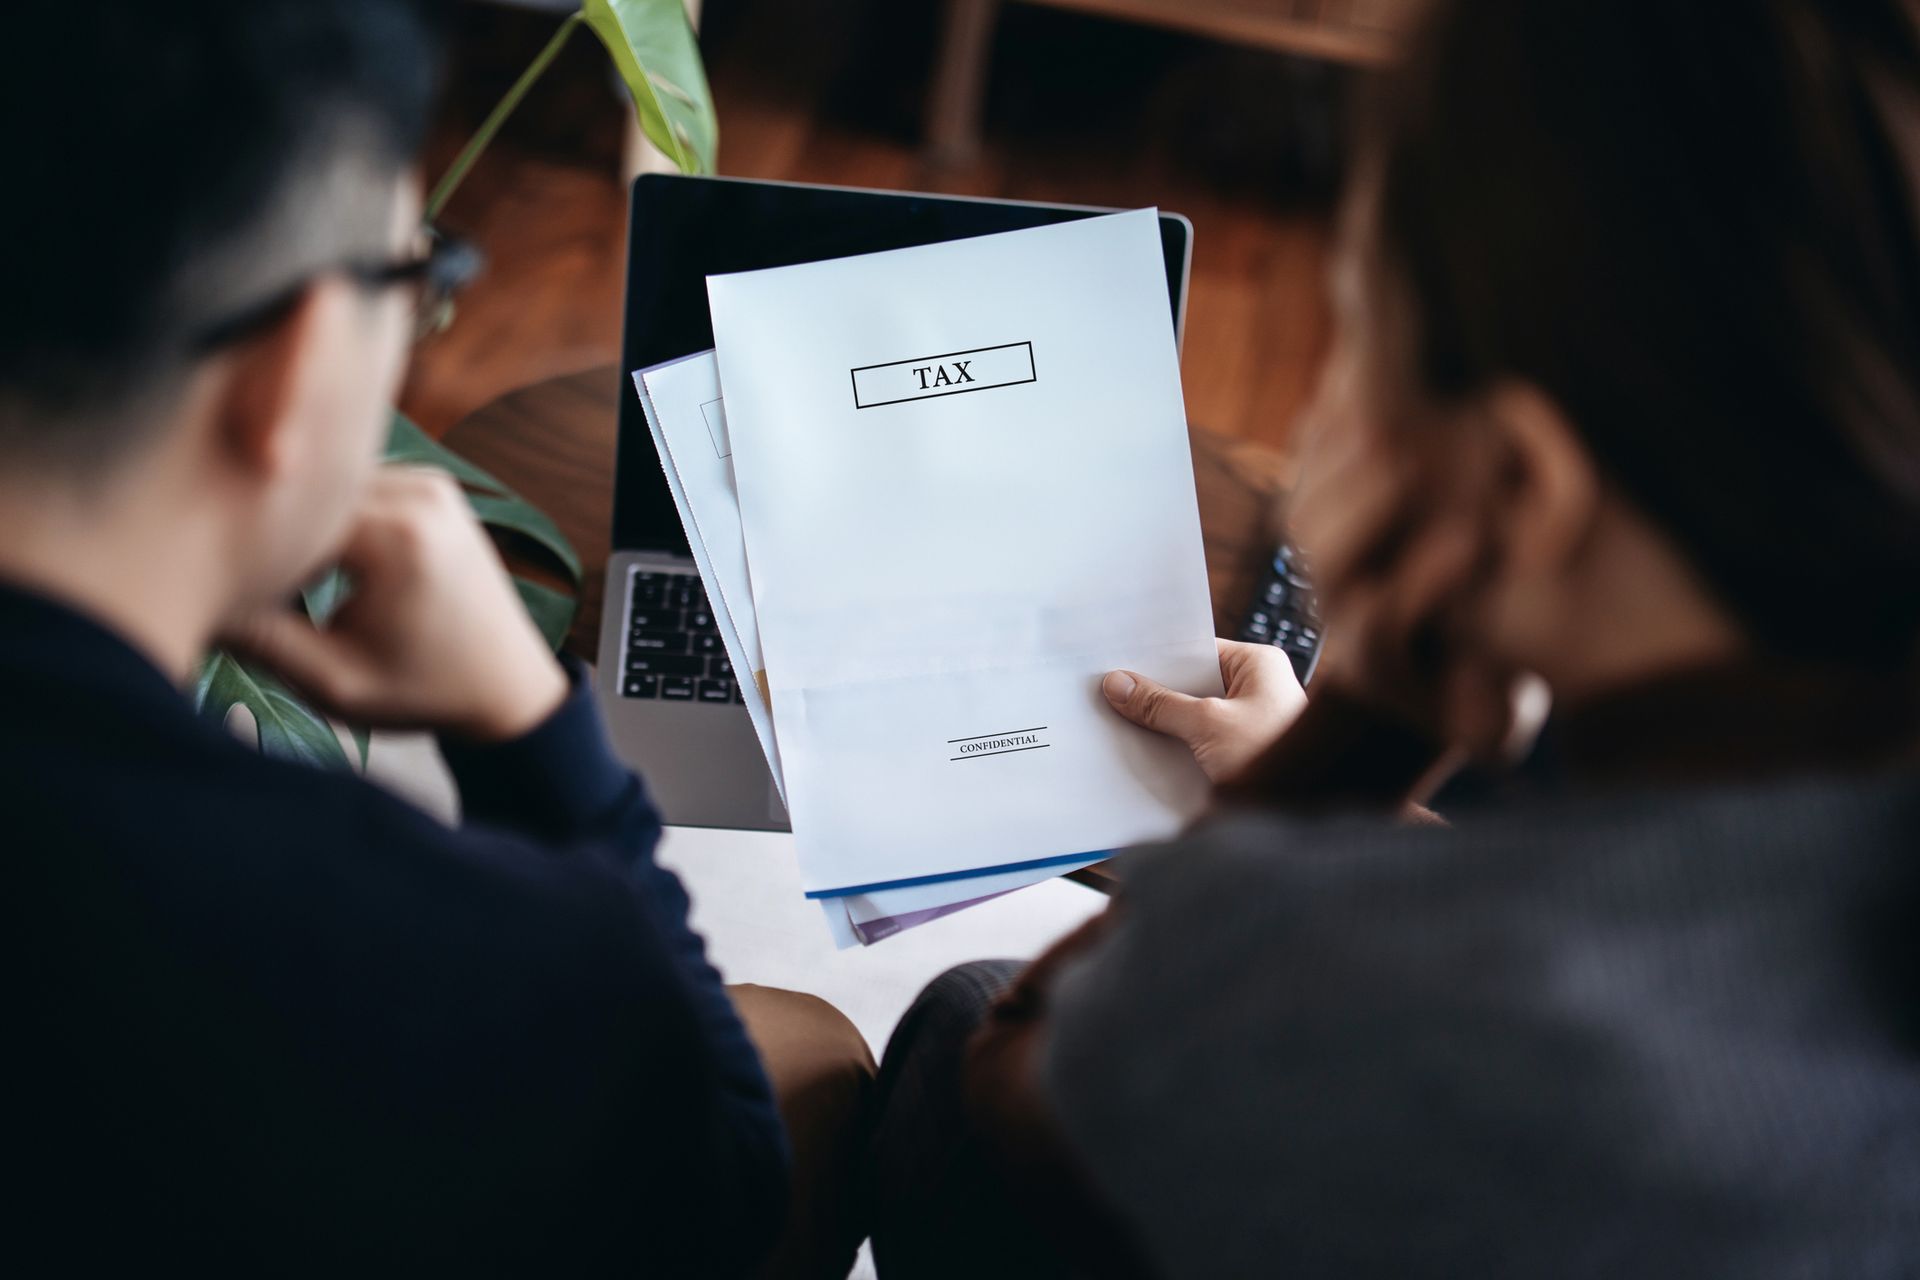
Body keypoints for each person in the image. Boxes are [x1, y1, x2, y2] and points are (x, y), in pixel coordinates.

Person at [868, 0, 1920, 1274]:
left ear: (1523, 486)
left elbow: (1032, 1075)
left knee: (954, 1014)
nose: (1324, 402)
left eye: (1353, 333)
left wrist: (1366, 706)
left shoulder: (1400, 999)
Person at [2, 2, 871, 1273]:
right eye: (421, 274)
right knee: (810, 1052)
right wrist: (534, 728)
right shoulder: (391, 944)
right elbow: (720, 1177)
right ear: (290, 367)